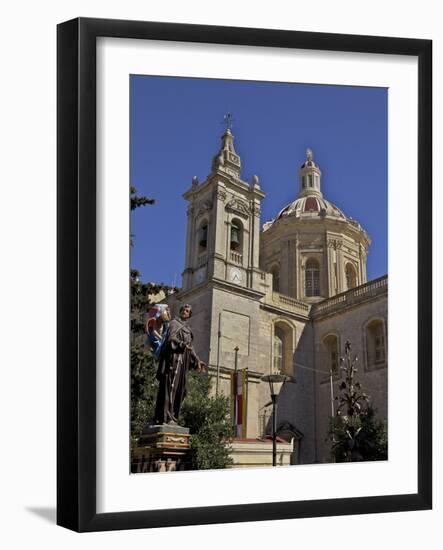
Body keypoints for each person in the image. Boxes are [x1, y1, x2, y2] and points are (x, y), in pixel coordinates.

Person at [153, 303, 206, 425]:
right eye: (183, 309)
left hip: (183, 363)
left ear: (190, 315)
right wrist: (181, 344)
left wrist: (197, 360)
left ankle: (174, 416)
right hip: (173, 360)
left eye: (187, 311)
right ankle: (166, 417)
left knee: (181, 390)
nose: (185, 312)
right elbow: (171, 338)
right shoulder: (174, 323)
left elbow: (190, 348)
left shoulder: (188, 329)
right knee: (171, 387)